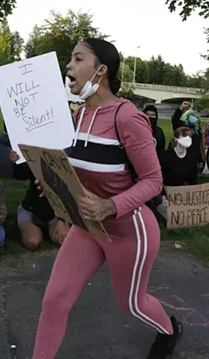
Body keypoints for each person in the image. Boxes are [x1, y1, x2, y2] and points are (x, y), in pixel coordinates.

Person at [34, 38, 180, 359]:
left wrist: (110, 206)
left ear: (100, 71)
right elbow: (79, 173)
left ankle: (170, 330)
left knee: (132, 305)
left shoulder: (127, 118)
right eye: (69, 60)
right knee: (54, 301)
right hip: (87, 226)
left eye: (77, 59)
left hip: (130, 232)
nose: (68, 66)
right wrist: (52, 182)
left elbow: (154, 181)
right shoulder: (76, 116)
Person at [10, 150, 69, 249]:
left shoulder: (68, 165)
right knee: (32, 242)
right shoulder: (37, 160)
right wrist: (17, 161)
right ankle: (24, 226)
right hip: (32, 210)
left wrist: (62, 220)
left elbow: (71, 195)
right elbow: (20, 175)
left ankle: (50, 228)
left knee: (63, 242)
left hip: (56, 213)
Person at [156, 127, 202, 219]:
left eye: (189, 136)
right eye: (184, 136)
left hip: (184, 191)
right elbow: (159, 177)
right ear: (176, 139)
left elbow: (193, 180)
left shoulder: (192, 156)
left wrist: (202, 196)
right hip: (168, 190)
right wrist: (163, 195)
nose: (187, 139)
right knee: (169, 213)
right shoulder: (166, 155)